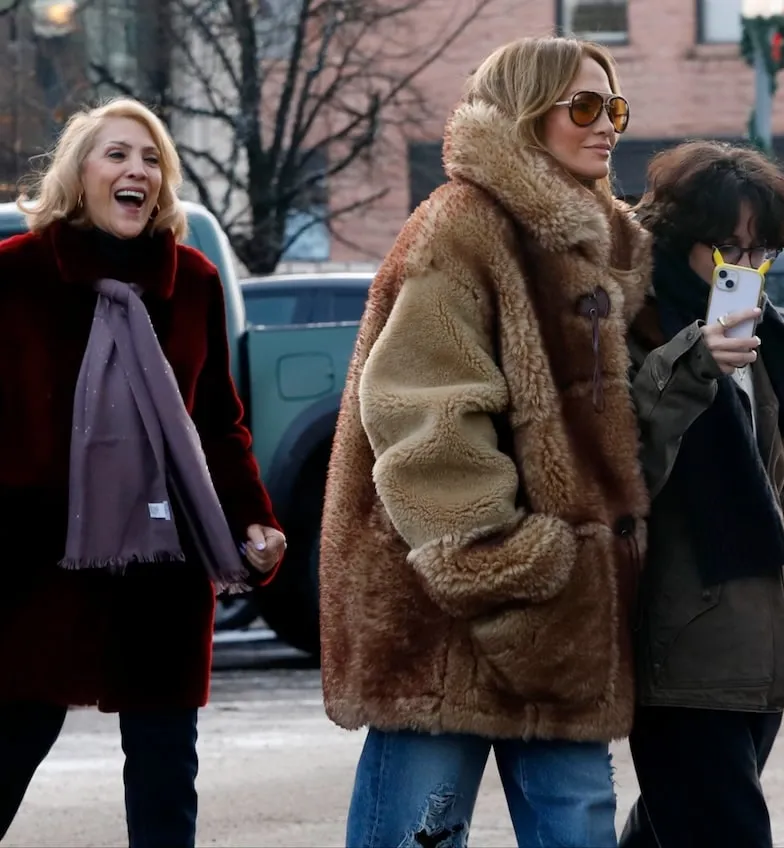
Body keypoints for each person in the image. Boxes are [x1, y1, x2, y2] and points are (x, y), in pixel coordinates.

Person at [318, 37, 651, 848]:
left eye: (614, 108)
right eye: (582, 107)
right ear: (526, 116)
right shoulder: (461, 227)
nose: (605, 126)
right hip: (448, 615)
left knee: (579, 828)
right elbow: (422, 419)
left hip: (563, 618)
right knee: (417, 835)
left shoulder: (601, 246)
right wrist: (508, 564)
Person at [0, 98, 285, 846]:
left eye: (152, 158)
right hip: (37, 558)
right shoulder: (15, 276)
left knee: (164, 771)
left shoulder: (191, 281)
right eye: (118, 154)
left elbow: (219, 420)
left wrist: (255, 516)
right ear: (79, 174)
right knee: (8, 744)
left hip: (164, 557)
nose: (139, 171)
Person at [619, 140, 784, 848]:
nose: (746, 270)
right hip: (681, 661)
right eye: (728, 248)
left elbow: (781, 498)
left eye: (762, 254)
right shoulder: (636, 335)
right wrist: (690, 366)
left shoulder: (761, 344)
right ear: (678, 239)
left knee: (665, 834)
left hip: (759, 655)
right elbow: (622, 477)